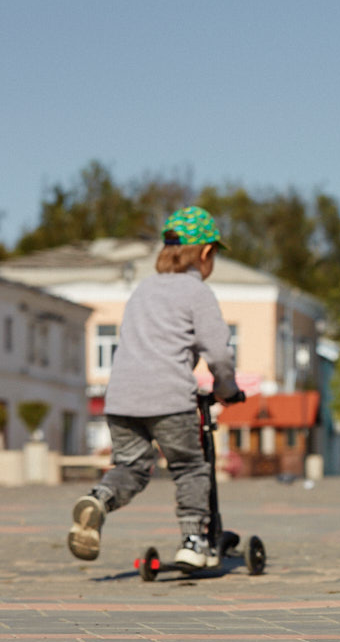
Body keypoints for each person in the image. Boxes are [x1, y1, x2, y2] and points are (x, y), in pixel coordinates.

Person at [68, 206, 241, 569]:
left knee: (132, 465)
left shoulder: (143, 291)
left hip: (120, 399)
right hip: (168, 398)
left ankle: (99, 499)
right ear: (206, 253)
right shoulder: (196, 292)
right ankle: (194, 541)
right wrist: (227, 388)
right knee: (190, 467)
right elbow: (218, 353)